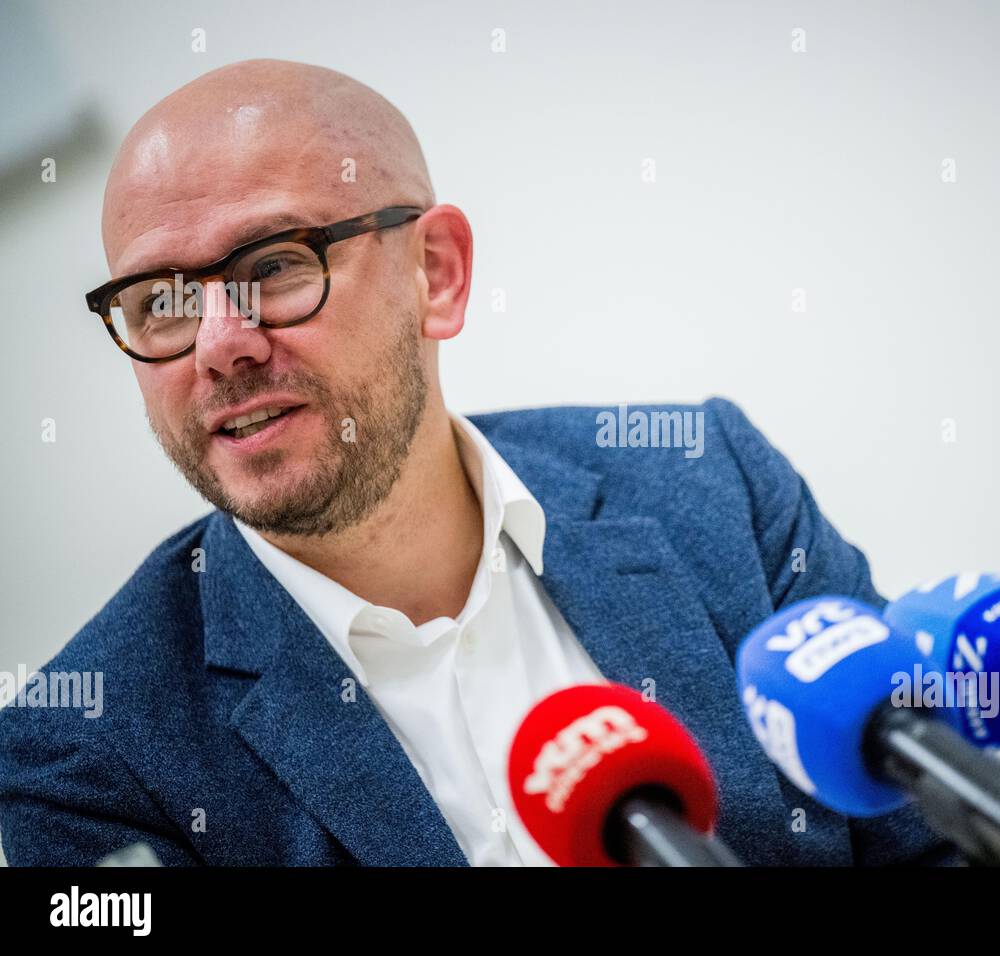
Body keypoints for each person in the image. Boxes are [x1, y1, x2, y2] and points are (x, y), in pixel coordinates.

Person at [0, 60, 950, 866]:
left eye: (276, 265)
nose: (219, 345)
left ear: (437, 273)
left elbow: (931, 840)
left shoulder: (713, 486)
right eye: (160, 301)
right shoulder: (83, 756)